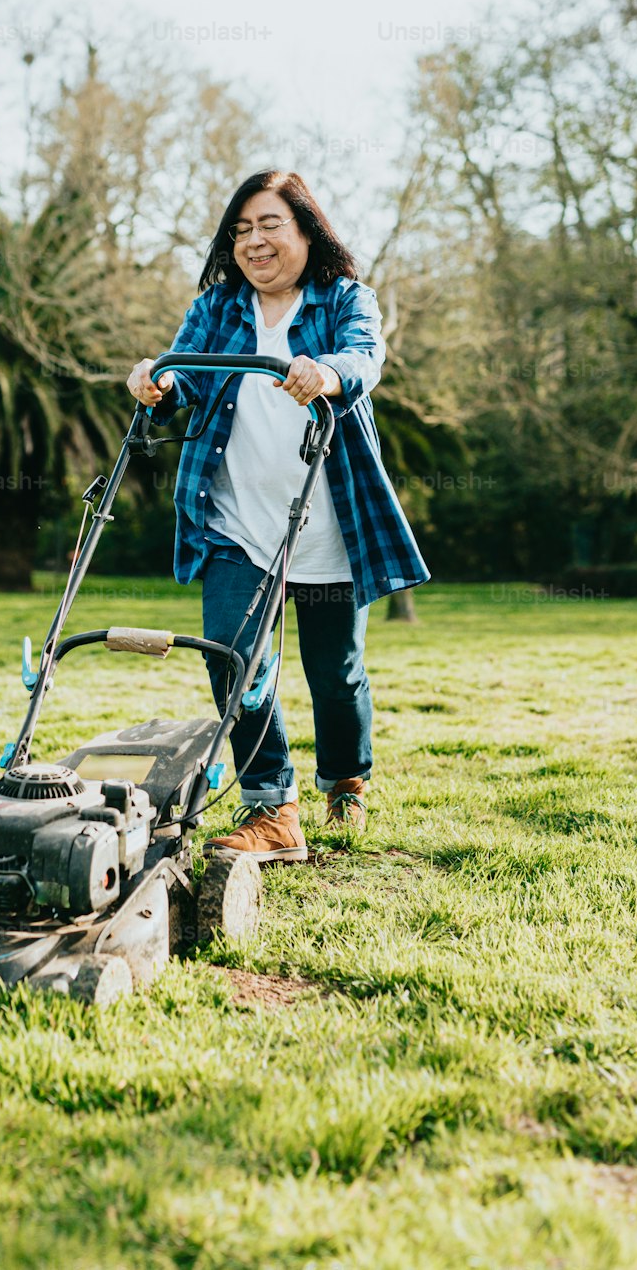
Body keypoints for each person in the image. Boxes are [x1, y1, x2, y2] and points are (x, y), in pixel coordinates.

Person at [126, 169, 429, 860]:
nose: (254, 242)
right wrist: (157, 379)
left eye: (269, 226)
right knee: (234, 659)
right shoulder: (219, 308)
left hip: (330, 525)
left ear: (304, 231)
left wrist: (326, 372)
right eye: (240, 231)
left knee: (337, 671)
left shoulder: (345, 298)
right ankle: (271, 806)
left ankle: (344, 780)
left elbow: (362, 356)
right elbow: (183, 379)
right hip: (235, 522)